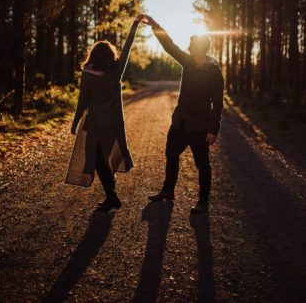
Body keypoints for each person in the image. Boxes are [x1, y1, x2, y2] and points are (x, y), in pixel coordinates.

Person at [143, 15, 224, 213]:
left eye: (191, 46)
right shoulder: (188, 62)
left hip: (200, 125)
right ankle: (168, 191)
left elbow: (218, 102)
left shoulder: (214, 72)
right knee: (171, 154)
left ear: (199, 49)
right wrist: (155, 25)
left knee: (202, 164)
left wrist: (213, 129)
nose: (187, 48)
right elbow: (169, 45)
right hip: (180, 122)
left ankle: (203, 201)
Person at [65, 14, 145, 212]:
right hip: (114, 123)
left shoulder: (87, 75)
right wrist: (134, 25)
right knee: (108, 157)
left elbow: (82, 100)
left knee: (99, 160)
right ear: (110, 56)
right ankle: (112, 196)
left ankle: (112, 197)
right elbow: (126, 48)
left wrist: (75, 123)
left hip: (95, 123)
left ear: (93, 55)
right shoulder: (116, 71)